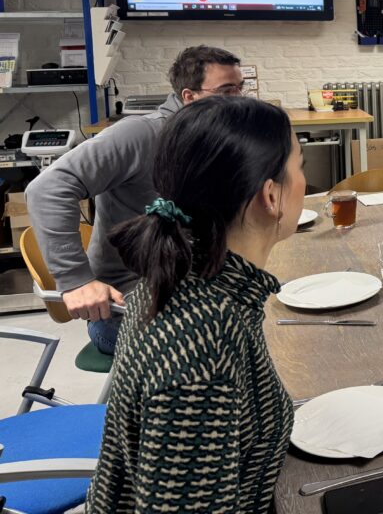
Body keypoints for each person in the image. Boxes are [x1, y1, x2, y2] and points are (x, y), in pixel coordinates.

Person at [86, 96, 303, 512]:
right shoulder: (205, 345)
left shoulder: (188, 276)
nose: (304, 181)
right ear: (271, 196)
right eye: (301, 166)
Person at [25, 45, 243, 354]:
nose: (239, 101)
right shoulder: (141, 134)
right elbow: (47, 189)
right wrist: (75, 280)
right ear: (189, 97)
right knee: (242, 342)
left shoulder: (210, 138)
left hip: (191, 285)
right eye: (226, 91)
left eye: (240, 89)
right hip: (127, 305)